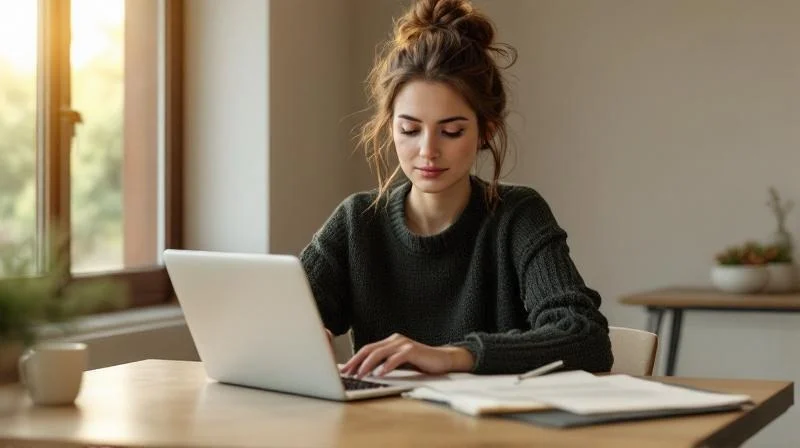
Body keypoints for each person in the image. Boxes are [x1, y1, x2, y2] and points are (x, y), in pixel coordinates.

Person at [300, 0, 613, 379]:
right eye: (410, 130)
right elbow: (280, 321)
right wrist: (293, 336)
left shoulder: (518, 216)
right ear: (389, 127)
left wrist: (453, 355)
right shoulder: (356, 222)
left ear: (486, 131)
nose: (428, 150)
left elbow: (586, 337)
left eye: (451, 131)